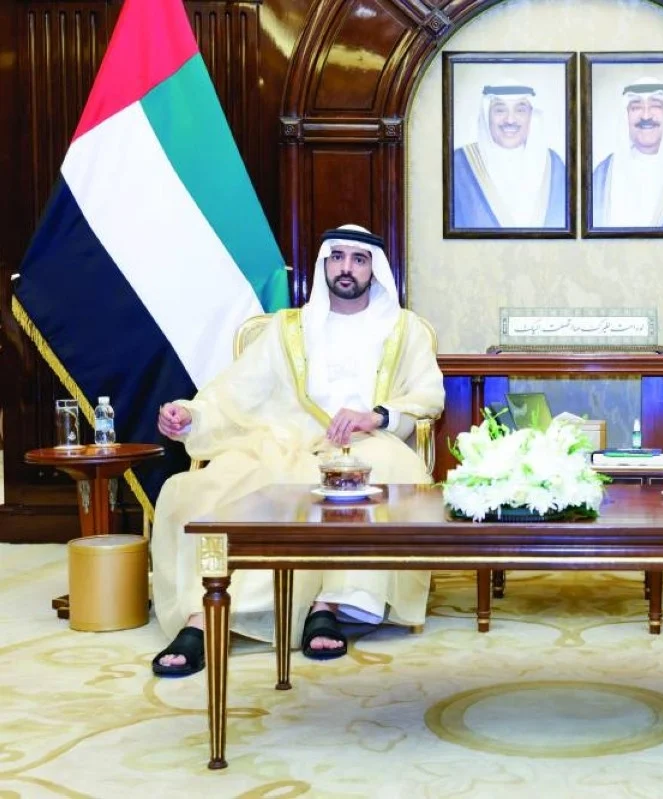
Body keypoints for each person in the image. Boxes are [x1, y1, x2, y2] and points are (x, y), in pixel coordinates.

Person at [150, 224, 445, 677]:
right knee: (212, 487)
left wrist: (376, 416)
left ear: (374, 269)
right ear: (324, 263)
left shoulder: (404, 329)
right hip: (283, 441)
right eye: (337, 257)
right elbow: (236, 391)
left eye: (359, 259)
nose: (346, 268)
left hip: (365, 445)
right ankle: (203, 616)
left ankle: (327, 606)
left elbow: (428, 397)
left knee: (381, 474)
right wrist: (191, 415)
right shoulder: (288, 329)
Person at [591, 77, 663, 229]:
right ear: (625, 115)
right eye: (636, 107)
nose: (646, 116)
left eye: (656, 106)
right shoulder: (603, 174)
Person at [451, 82, 568, 229]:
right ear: (487, 115)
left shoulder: (553, 165)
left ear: (532, 116)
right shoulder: (459, 164)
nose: (510, 120)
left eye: (520, 110)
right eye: (500, 110)